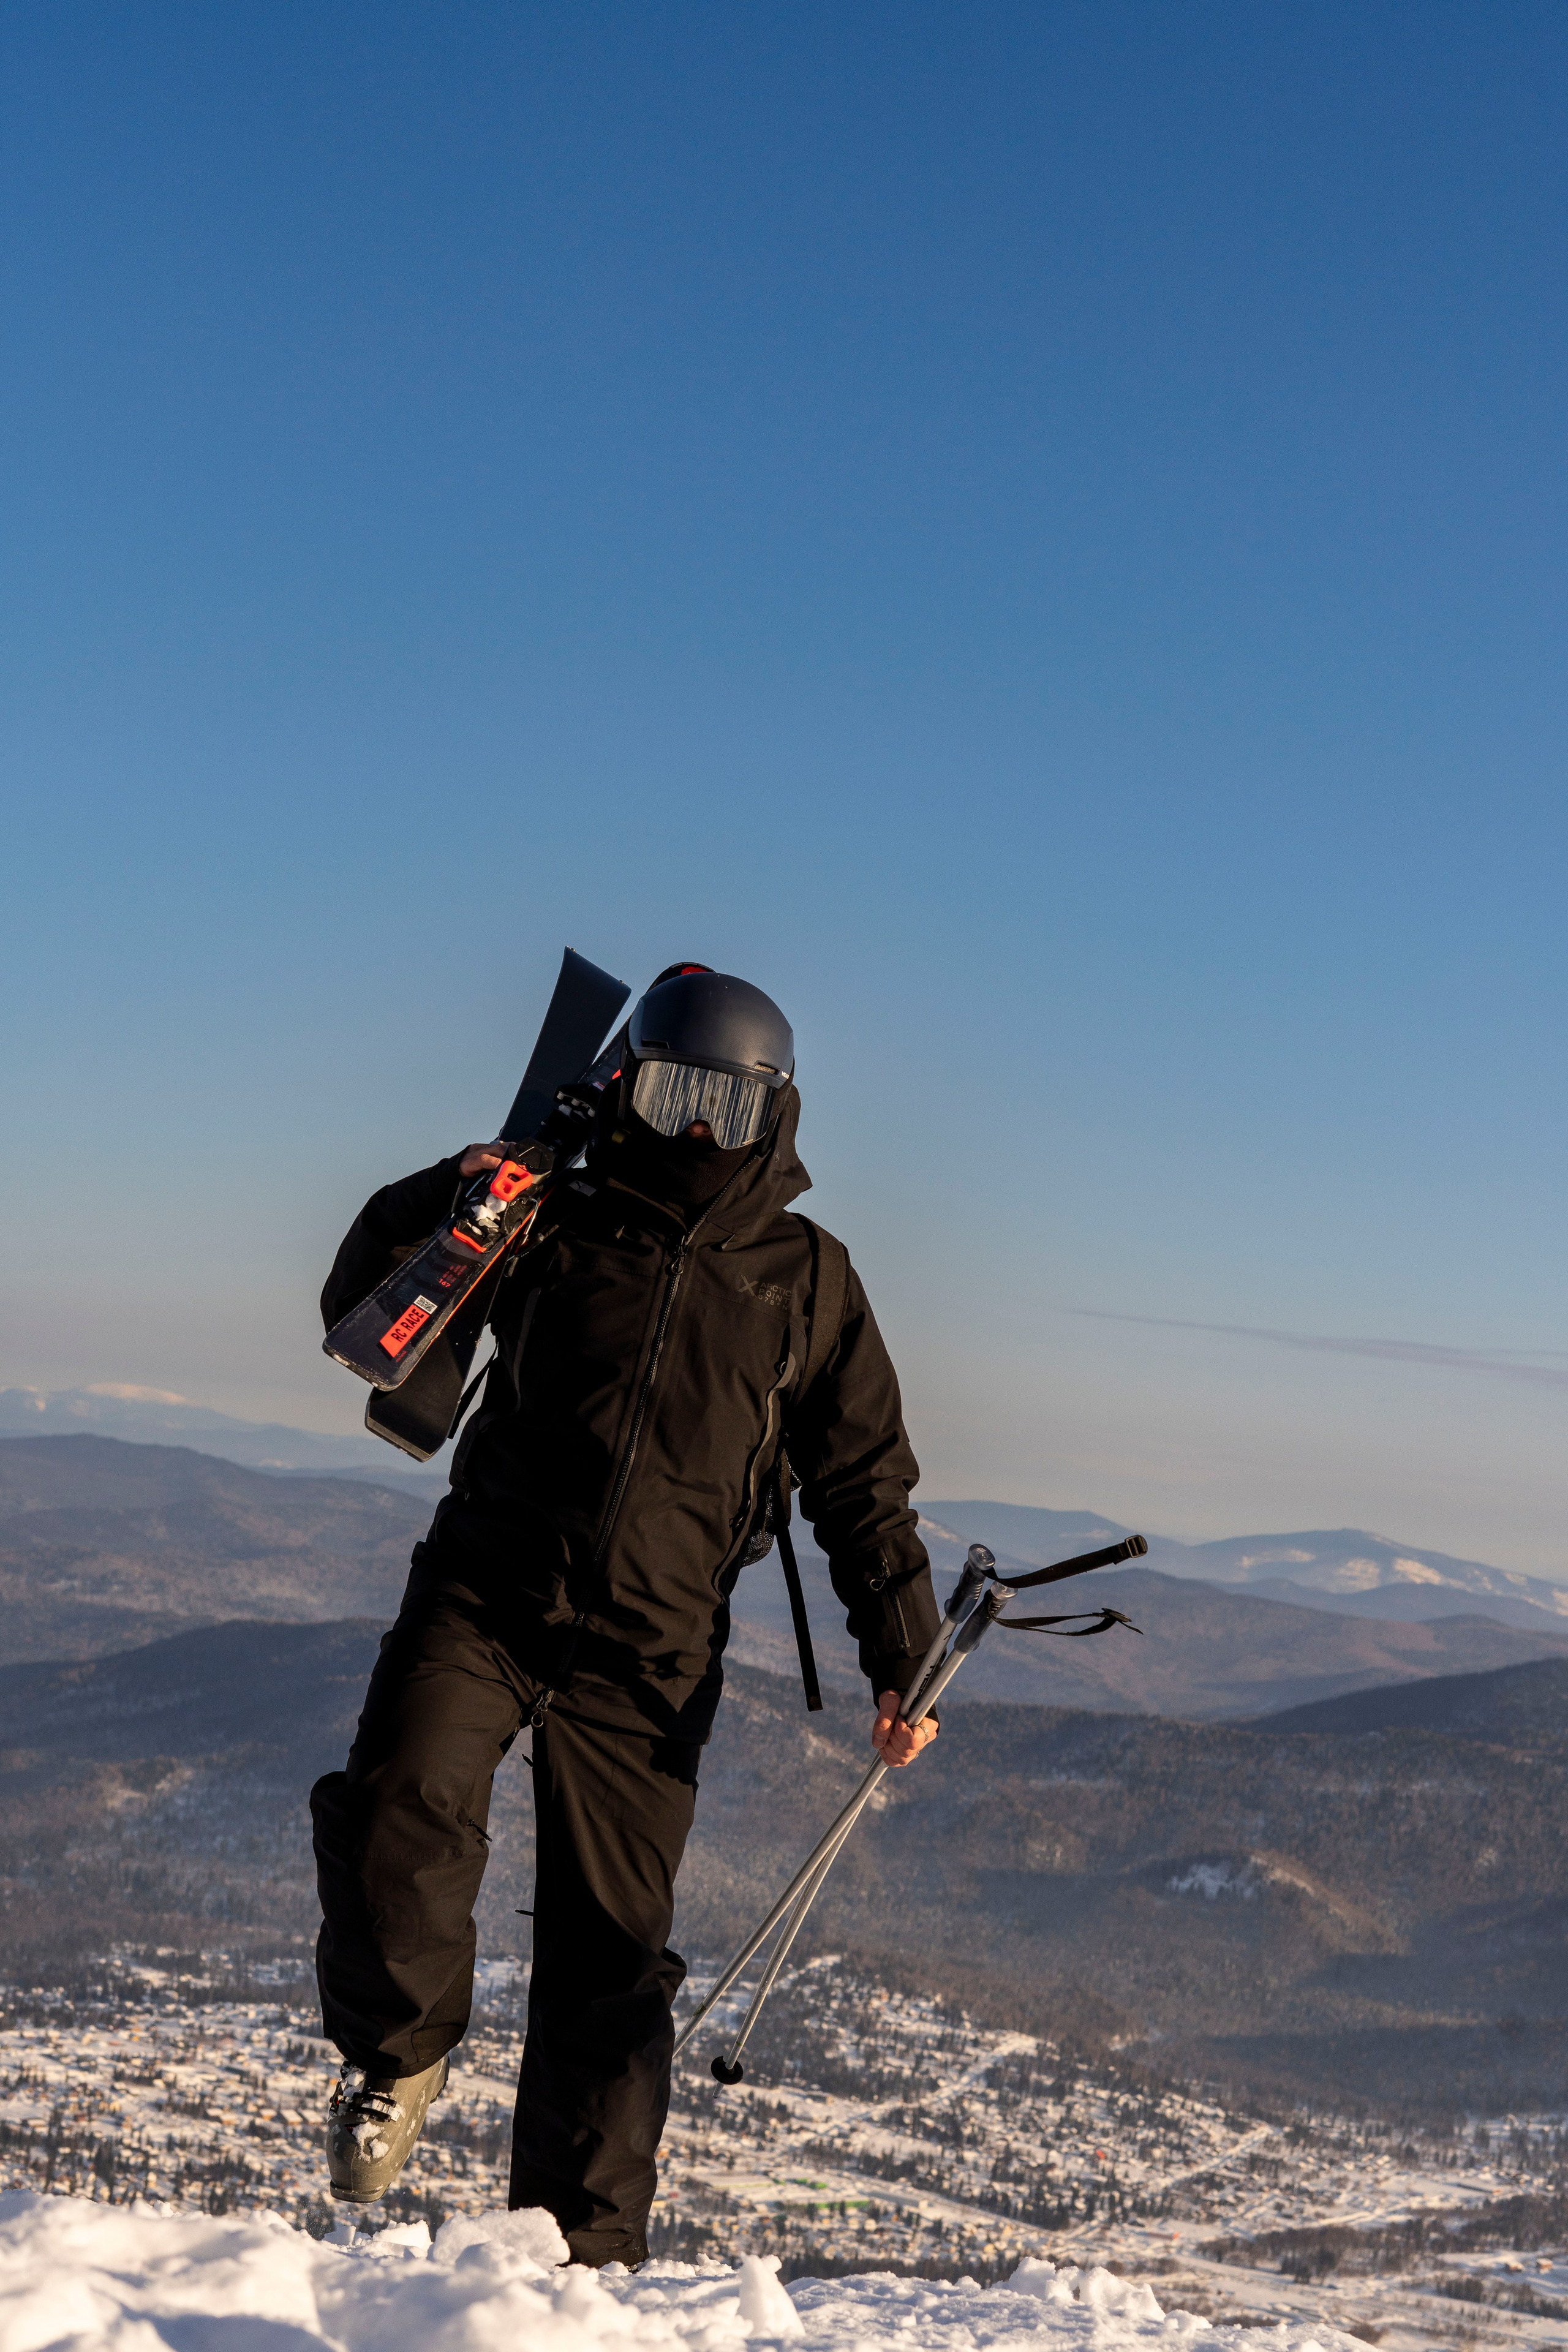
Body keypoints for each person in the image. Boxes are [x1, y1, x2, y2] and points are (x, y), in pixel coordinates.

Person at [309, 964, 941, 2266]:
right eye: (674, 1096)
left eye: (727, 1105)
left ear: (774, 1112)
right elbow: (366, 1308)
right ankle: (399, 2055)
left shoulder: (809, 1282)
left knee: (609, 1954)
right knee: (397, 1803)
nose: (698, 1129)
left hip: (653, 1653)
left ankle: (578, 2261)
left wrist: (903, 1655)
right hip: (484, 1593)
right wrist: (452, 1192)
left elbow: (864, 1485)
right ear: (627, 1091)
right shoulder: (549, 1210)